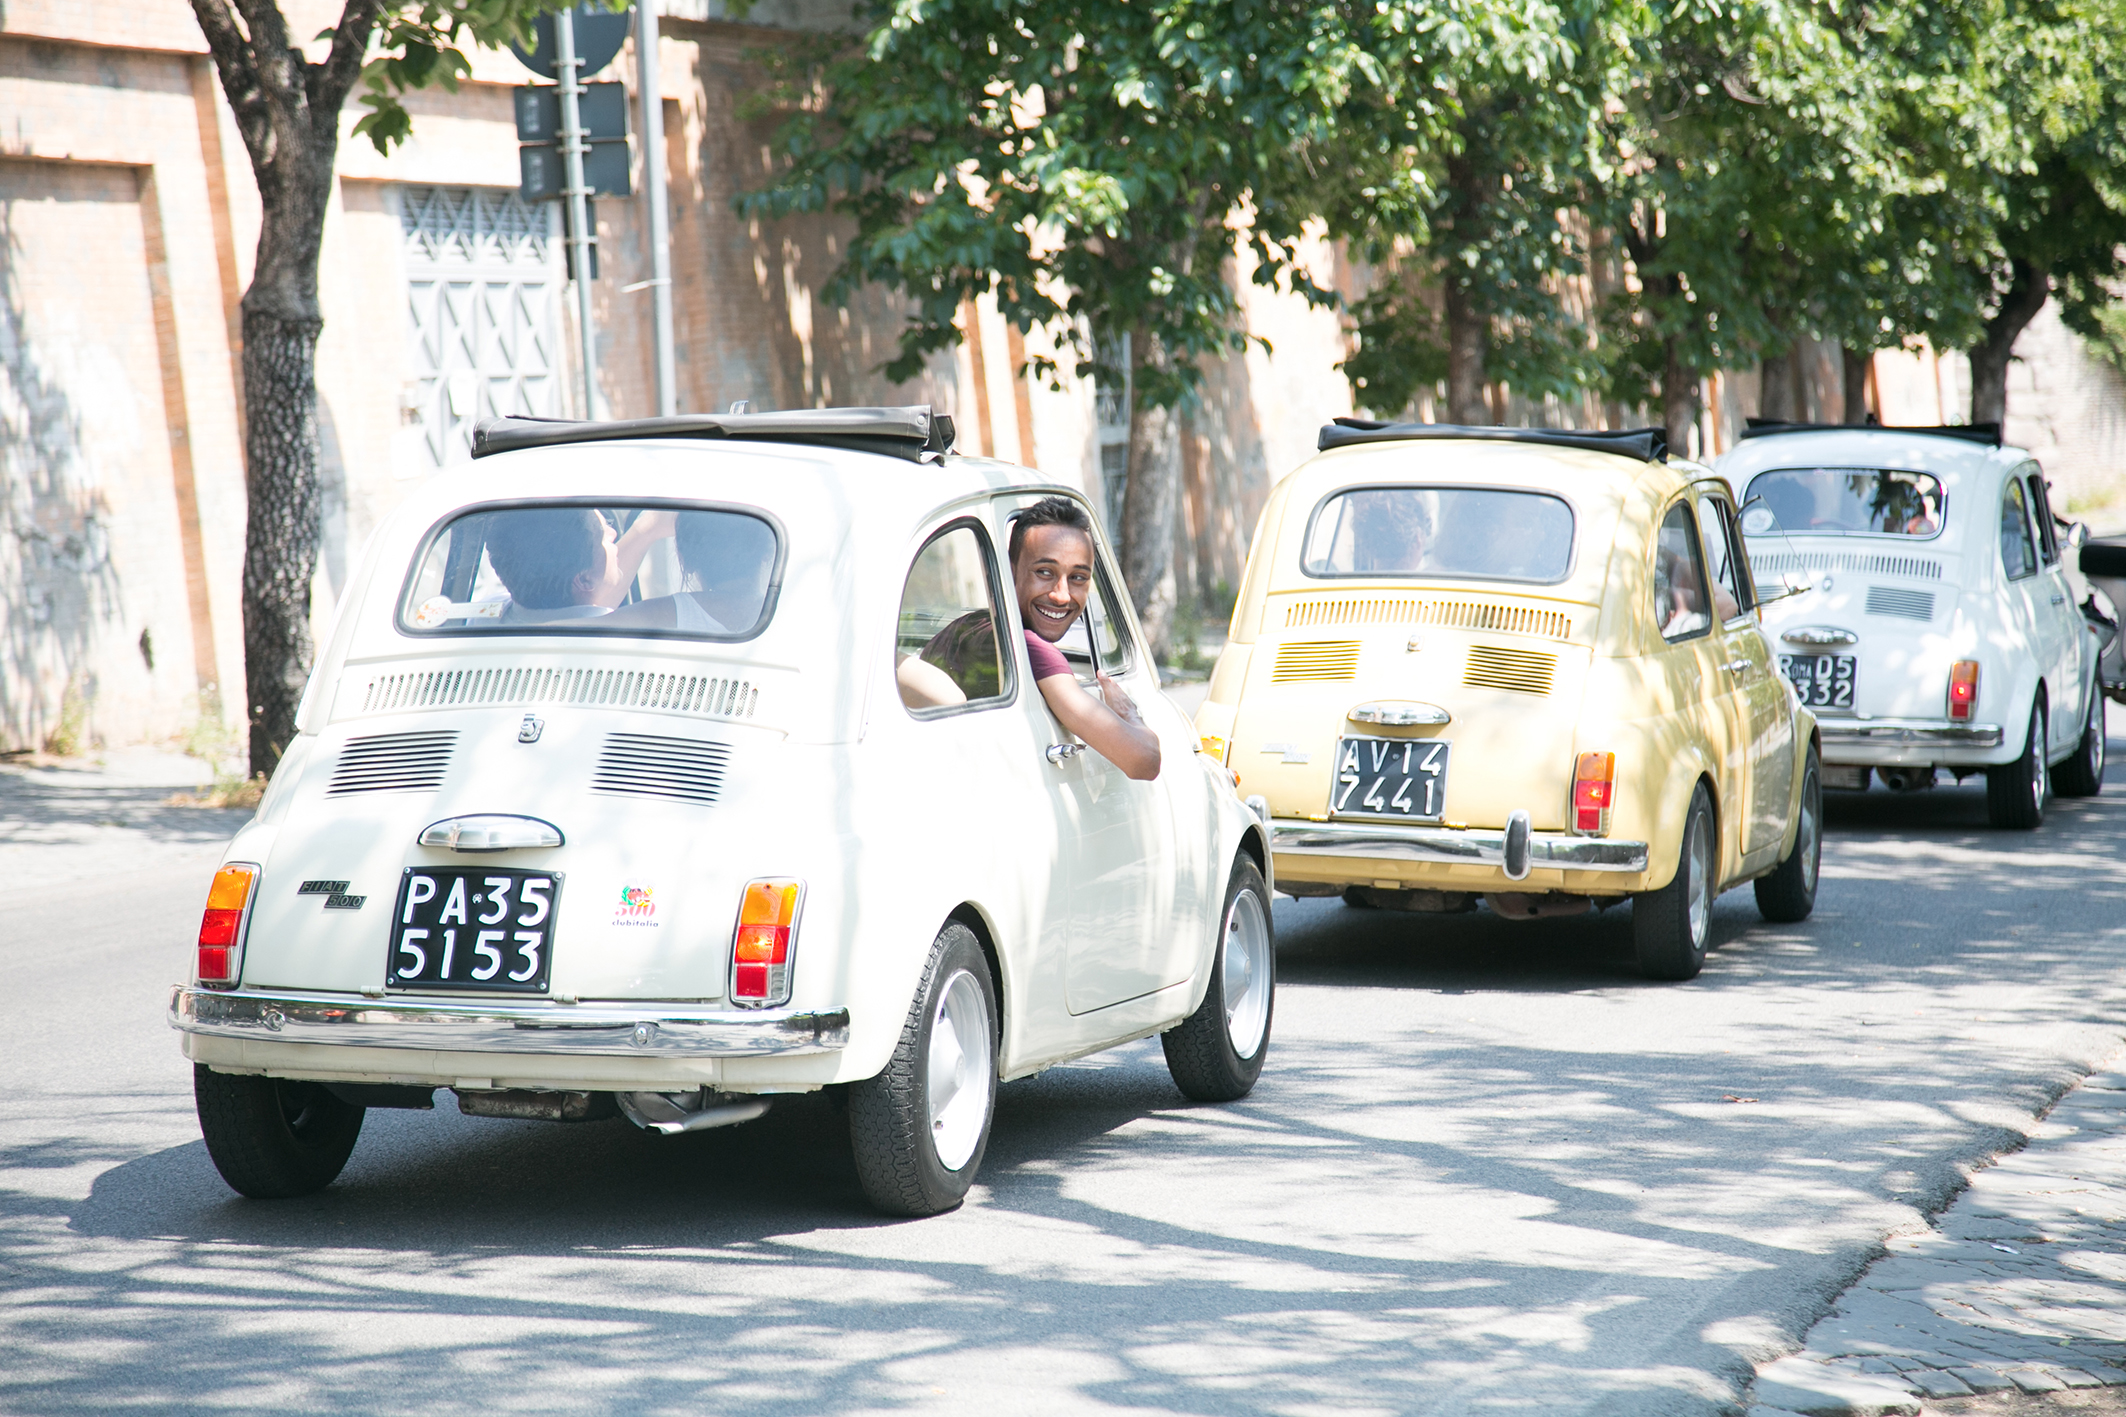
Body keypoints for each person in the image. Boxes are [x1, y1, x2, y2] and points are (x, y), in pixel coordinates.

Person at [1011, 497, 1161, 781]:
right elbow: (1145, 760)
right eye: (1044, 572)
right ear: (1009, 570)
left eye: (1078, 578)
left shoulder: (966, 628)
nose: (1061, 595)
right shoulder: (1032, 650)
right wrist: (1130, 714)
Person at [484, 507, 673, 625]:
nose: (613, 533)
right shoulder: (622, 631)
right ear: (584, 579)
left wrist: (645, 530)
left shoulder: (482, 615)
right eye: (602, 533)